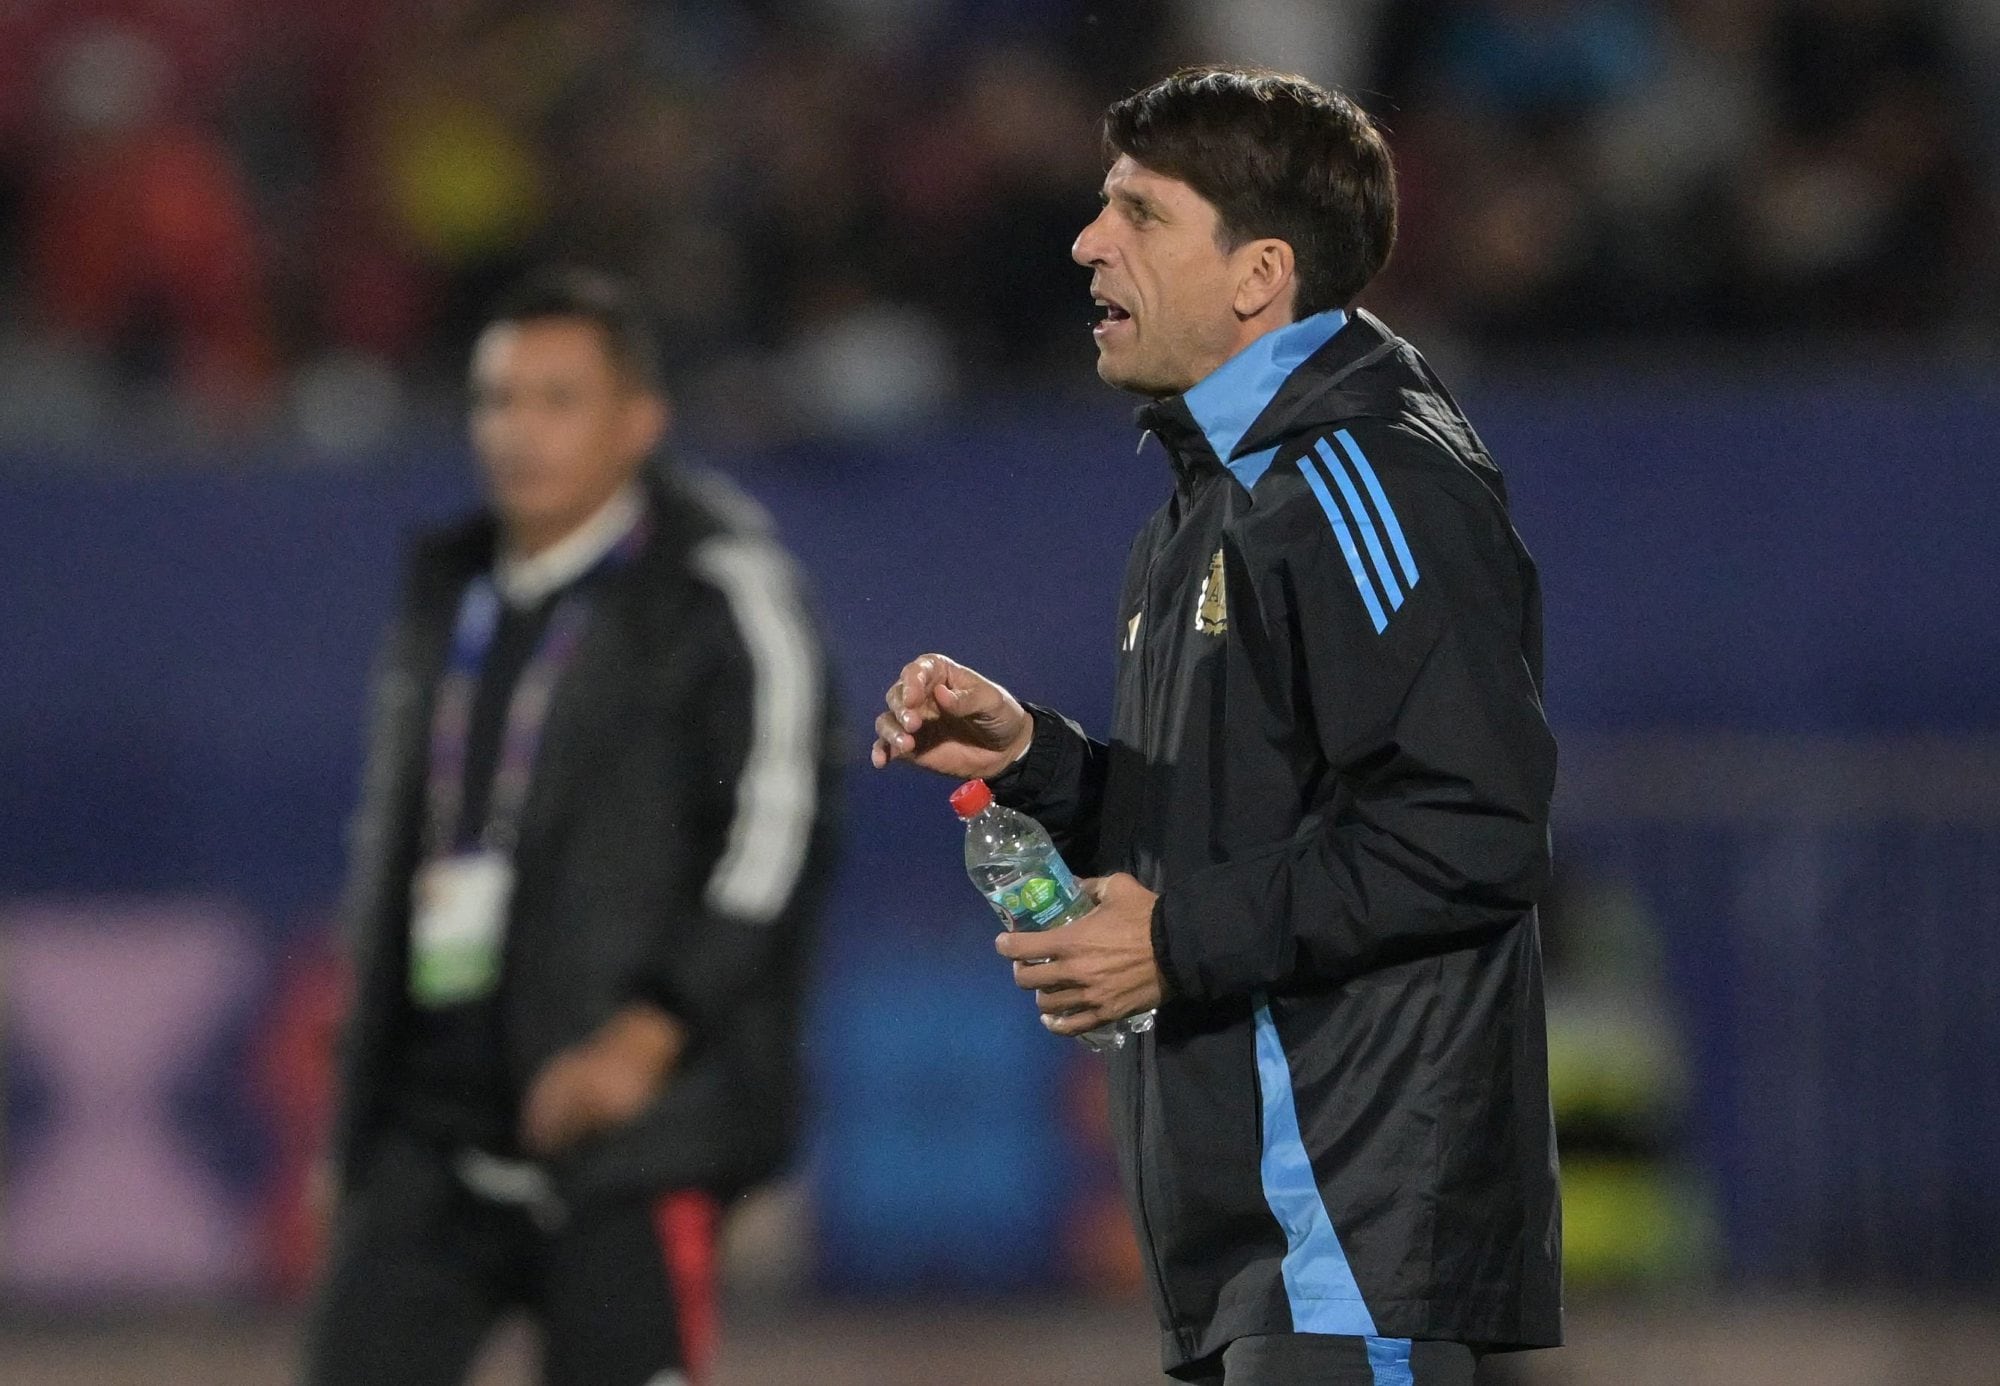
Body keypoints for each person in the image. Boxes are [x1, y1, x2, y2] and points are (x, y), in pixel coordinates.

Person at [872, 67, 1560, 1385]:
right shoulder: (1212, 498)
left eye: (1139, 213)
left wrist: (1176, 938)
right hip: (1256, 1243)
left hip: (1346, 1229)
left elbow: (1472, 827)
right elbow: (1249, 816)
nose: (1087, 242)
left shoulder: (1366, 479)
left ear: (1258, 276)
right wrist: (1042, 762)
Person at [308, 268, 837, 1386]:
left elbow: (775, 833)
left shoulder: (714, 592)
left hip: (635, 1138)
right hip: (437, 1123)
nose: (519, 431)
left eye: (558, 400)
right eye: (498, 400)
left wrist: (646, 1037)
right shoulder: (450, 590)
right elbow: (403, 841)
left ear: (637, 421)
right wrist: (364, 1085)